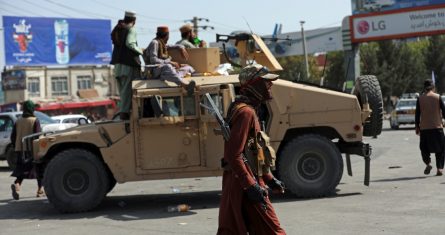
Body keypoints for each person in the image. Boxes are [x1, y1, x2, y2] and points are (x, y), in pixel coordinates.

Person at [217, 64, 286, 235]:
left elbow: (254, 151)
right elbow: (234, 154)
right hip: (244, 181)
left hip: (243, 179)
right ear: (253, 86)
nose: (270, 85)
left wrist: (269, 178)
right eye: (265, 82)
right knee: (273, 230)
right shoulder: (245, 112)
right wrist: (250, 186)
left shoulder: (243, 108)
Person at [110, 11, 144, 120]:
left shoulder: (118, 29)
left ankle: (124, 114)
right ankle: (124, 117)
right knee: (128, 93)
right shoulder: (131, 29)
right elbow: (130, 43)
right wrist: (141, 51)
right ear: (134, 21)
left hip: (117, 66)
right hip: (128, 65)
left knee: (123, 94)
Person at [144, 26, 196, 95]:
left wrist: (181, 47)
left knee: (187, 67)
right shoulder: (155, 43)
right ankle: (185, 86)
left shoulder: (162, 43)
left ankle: (169, 76)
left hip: (162, 71)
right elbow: (153, 60)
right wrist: (170, 62)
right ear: (167, 35)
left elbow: (174, 46)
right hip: (153, 71)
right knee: (168, 66)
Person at [10, 100, 44, 200]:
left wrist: (16, 146)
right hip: (32, 150)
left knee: (21, 170)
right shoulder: (35, 120)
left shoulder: (18, 120)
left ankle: (17, 185)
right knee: (38, 169)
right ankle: (40, 190)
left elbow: (13, 136)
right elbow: (37, 136)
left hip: (20, 150)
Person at [415, 79, 445, 176]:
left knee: (424, 149)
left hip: (425, 129)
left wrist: (417, 126)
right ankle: (439, 168)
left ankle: (428, 163)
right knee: (440, 149)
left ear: (424, 88)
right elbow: (444, 112)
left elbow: (417, 114)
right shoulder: (438, 97)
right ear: (433, 87)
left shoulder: (420, 99)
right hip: (437, 128)